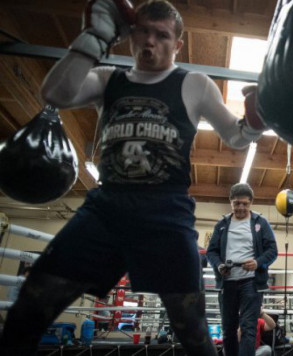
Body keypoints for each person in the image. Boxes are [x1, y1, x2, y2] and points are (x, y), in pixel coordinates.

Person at [0, 1, 265, 355]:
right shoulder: (108, 78)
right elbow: (54, 94)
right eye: (143, 31)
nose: (150, 42)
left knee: (193, 329)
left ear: (178, 45)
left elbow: (235, 137)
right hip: (106, 208)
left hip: (166, 212)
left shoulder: (194, 84)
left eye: (162, 35)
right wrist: (94, 37)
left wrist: (256, 120)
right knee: (30, 307)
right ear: (130, 34)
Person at [206, 183, 278, 356]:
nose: (241, 207)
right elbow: (211, 252)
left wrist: (258, 262)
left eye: (245, 204)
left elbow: (272, 251)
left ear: (251, 203)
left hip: (251, 283)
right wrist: (219, 265)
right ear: (231, 202)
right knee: (228, 330)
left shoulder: (260, 223)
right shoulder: (222, 224)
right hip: (228, 283)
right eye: (237, 203)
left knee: (248, 328)